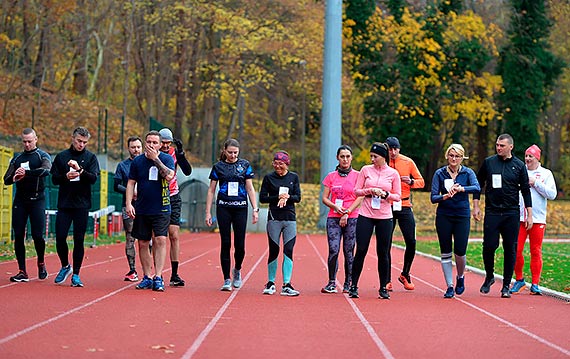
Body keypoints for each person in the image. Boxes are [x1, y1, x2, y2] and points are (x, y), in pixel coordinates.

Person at [473, 134, 532, 298]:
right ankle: (489, 276)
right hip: (492, 211)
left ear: (510, 147)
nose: (498, 148)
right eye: (497, 145)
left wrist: (530, 215)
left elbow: (526, 191)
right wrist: (476, 205)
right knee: (489, 246)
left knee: (510, 248)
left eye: (502, 145)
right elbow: (478, 183)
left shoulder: (519, 166)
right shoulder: (489, 162)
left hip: (511, 213)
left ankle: (506, 285)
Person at [205, 139, 259, 291]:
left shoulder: (245, 165)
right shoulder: (218, 167)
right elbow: (211, 190)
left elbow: (250, 188)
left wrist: (255, 209)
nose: (233, 155)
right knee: (226, 243)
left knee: (240, 245)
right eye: (230, 152)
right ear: (224, 151)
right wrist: (208, 212)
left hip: (240, 208)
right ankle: (226, 279)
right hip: (224, 208)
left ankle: (237, 270)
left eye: (235, 152)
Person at [349, 143, 401, 299]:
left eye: (375, 156)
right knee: (361, 250)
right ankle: (354, 285)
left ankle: (383, 287)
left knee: (383, 253)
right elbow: (356, 191)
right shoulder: (365, 170)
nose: (372, 159)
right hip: (366, 214)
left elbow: (397, 196)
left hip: (384, 217)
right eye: (371, 156)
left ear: (383, 157)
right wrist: (370, 191)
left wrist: (385, 194)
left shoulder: (393, 174)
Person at [125, 130, 175, 292]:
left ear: (160, 145)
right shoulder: (138, 162)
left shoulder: (166, 159)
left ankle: (158, 276)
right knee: (143, 242)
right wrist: (128, 203)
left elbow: (169, 176)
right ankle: (147, 276)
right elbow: (131, 183)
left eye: (155, 142)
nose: (151, 145)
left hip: (161, 207)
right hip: (142, 207)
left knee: (160, 240)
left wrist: (156, 160)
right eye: (149, 142)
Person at [50, 127, 100, 287]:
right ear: (73, 138)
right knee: (60, 237)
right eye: (79, 141)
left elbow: (93, 178)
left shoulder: (91, 157)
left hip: (82, 205)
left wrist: (80, 170)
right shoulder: (62, 156)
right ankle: (65, 266)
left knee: (79, 240)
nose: (81, 145)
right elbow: (54, 179)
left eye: (84, 142)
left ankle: (76, 274)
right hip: (65, 204)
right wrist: (65, 176)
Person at [430, 144, 480, 298]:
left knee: (460, 251)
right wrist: (444, 197)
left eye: (457, 156)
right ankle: (449, 286)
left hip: (462, 215)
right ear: (447, 156)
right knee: (445, 251)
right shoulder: (439, 173)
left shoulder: (467, 172)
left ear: (462, 158)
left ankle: (460, 277)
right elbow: (433, 197)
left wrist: (462, 189)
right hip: (444, 215)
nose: (454, 159)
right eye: (451, 155)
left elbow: (477, 187)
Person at [3, 128, 51, 282]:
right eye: (24, 141)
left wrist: (27, 173)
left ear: (36, 139)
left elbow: (46, 170)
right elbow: (6, 179)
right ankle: (22, 270)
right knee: (18, 235)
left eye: (30, 141)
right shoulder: (17, 158)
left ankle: (41, 262)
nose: (27, 144)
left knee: (38, 236)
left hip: (37, 200)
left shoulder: (42, 155)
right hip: (20, 201)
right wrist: (15, 176)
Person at [510, 144, 557, 295]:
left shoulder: (546, 174)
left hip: (538, 219)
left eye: (531, 156)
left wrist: (535, 183)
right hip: (520, 218)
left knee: (535, 251)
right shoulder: (518, 170)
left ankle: (535, 284)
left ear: (537, 157)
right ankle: (519, 280)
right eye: (526, 156)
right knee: (516, 250)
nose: (528, 159)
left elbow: (552, 194)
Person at [320, 145, 362, 294]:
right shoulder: (331, 176)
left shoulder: (358, 176)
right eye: (342, 156)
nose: (345, 159)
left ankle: (348, 282)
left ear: (351, 158)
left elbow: (360, 196)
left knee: (349, 251)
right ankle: (331, 282)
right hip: (333, 217)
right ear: (337, 158)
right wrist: (336, 208)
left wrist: (347, 212)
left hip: (352, 217)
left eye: (347, 156)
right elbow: (324, 198)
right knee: (333, 249)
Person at [259, 151, 302, 296]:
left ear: (287, 164)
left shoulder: (293, 177)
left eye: (281, 164)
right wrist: (277, 197)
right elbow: (263, 198)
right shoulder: (269, 178)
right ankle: (271, 283)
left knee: (288, 250)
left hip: (289, 219)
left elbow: (298, 197)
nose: (278, 166)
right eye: (275, 163)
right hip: (274, 218)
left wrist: (287, 197)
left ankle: (286, 284)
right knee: (274, 250)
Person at [386, 136, 424, 291]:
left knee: (411, 241)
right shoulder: (382, 162)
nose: (393, 152)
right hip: (386, 206)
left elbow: (421, 181)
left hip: (404, 204)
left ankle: (405, 274)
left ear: (399, 149)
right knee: (385, 243)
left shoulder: (408, 162)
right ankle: (386, 279)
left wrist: (411, 182)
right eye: (390, 149)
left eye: (396, 149)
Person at [158, 128, 192, 287]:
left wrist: (181, 154)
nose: (165, 146)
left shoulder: (174, 153)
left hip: (173, 196)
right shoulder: (153, 153)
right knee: (158, 237)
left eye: (168, 143)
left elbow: (187, 171)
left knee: (174, 234)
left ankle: (174, 273)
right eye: (163, 142)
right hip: (157, 197)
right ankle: (155, 273)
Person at [113, 136, 143, 282]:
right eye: (133, 147)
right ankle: (132, 269)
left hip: (146, 206)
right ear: (128, 148)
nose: (136, 150)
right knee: (130, 237)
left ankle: (148, 269)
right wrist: (130, 192)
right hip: (128, 205)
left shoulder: (148, 163)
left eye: (138, 147)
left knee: (147, 238)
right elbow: (116, 185)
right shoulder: (122, 166)